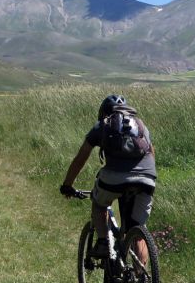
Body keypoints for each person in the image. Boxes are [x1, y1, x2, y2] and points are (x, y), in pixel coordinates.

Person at [59, 94, 156, 266]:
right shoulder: (141, 125)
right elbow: (151, 154)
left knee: (99, 203)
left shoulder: (102, 125)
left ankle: (104, 242)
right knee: (138, 228)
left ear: (103, 112)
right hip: (146, 178)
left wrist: (68, 185)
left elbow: (80, 158)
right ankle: (141, 282)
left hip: (114, 177)